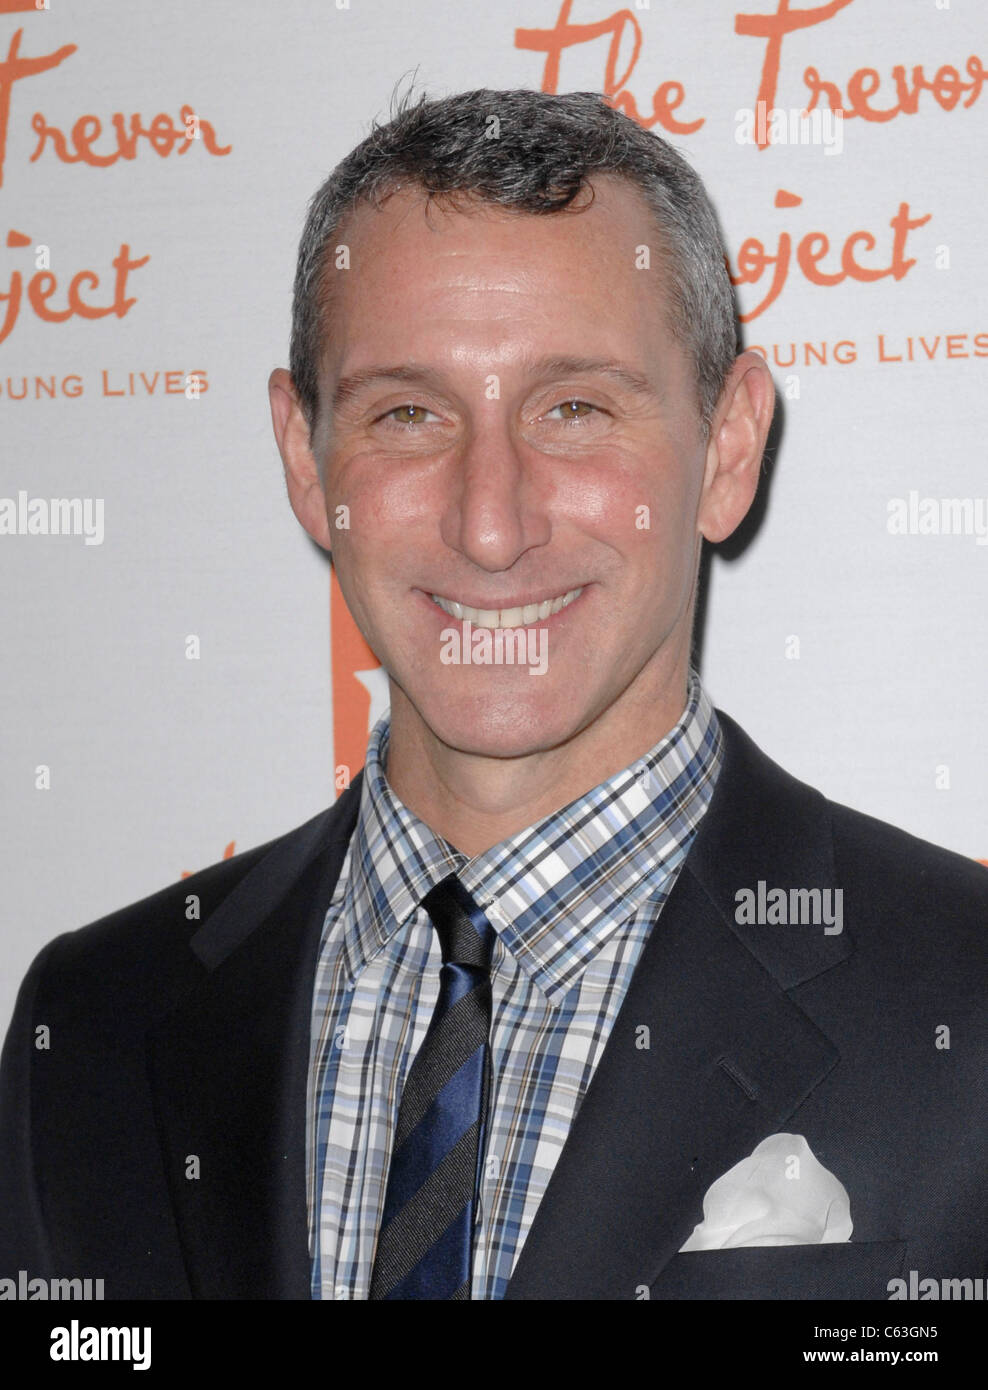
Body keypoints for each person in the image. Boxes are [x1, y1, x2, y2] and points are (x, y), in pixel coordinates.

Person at [1, 88, 984, 1302]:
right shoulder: (91, 1025)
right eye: (407, 414)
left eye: (573, 409)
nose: (489, 522)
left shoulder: (964, 996)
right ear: (307, 463)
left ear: (726, 451)